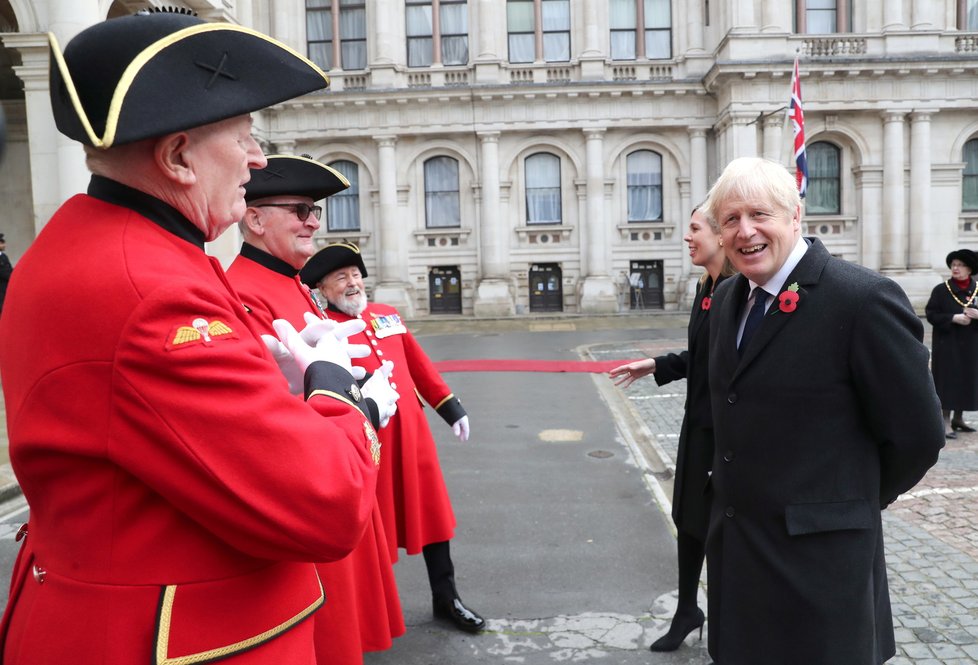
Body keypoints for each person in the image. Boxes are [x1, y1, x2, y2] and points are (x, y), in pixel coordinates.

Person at [0, 11, 394, 664]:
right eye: (242, 135)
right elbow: (327, 502)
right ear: (178, 156)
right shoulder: (151, 289)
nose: (258, 158)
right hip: (177, 638)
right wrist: (337, 390)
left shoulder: (89, 243)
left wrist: (268, 392)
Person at [702, 156, 944, 665]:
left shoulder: (861, 299)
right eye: (730, 220)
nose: (745, 231)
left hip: (822, 567)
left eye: (759, 214)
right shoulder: (728, 297)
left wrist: (845, 503)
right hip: (740, 559)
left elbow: (919, 436)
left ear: (795, 216)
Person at [225, 154, 404, 663]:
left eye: (316, 211)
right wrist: (358, 405)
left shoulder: (296, 285)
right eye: (300, 209)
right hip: (308, 479)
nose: (313, 222)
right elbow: (262, 411)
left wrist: (363, 385)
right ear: (255, 219)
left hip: (337, 462)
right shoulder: (241, 290)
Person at [300, 243, 487, 634]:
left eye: (355, 276)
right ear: (322, 288)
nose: (352, 284)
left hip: (414, 438)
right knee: (377, 530)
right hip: (370, 442)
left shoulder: (386, 315)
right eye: (341, 278)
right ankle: (378, 613)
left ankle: (447, 598)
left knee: (434, 519)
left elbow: (418, 364)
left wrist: (451, 408)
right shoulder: (323, 332)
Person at [608, 207, 734, 652]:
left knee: (723, 529)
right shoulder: (708, 288)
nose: (687, 237)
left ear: (721, 237)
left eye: (695, 228)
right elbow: (702, 356)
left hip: (729, 437)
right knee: (689, 519)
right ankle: (687, 610)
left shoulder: (741, 292)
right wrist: (658, 364)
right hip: (698, 428)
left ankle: (727, 625)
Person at [925, 249, 978, 439]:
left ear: (969, 269)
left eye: (960, 265)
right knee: (948, 381)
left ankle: (959, 418)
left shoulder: (976, 289)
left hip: (972, 346)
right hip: (948, 344)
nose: (956, 268)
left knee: (967, 381)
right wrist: (953, 318)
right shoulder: (941, 290)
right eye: (954, 264)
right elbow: (931, 314)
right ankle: (945, 420)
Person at [0, 233, 11, 316]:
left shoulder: (3, 256)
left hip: (6, 289)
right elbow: (4, 272)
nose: (4, 245)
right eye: (2, 242)